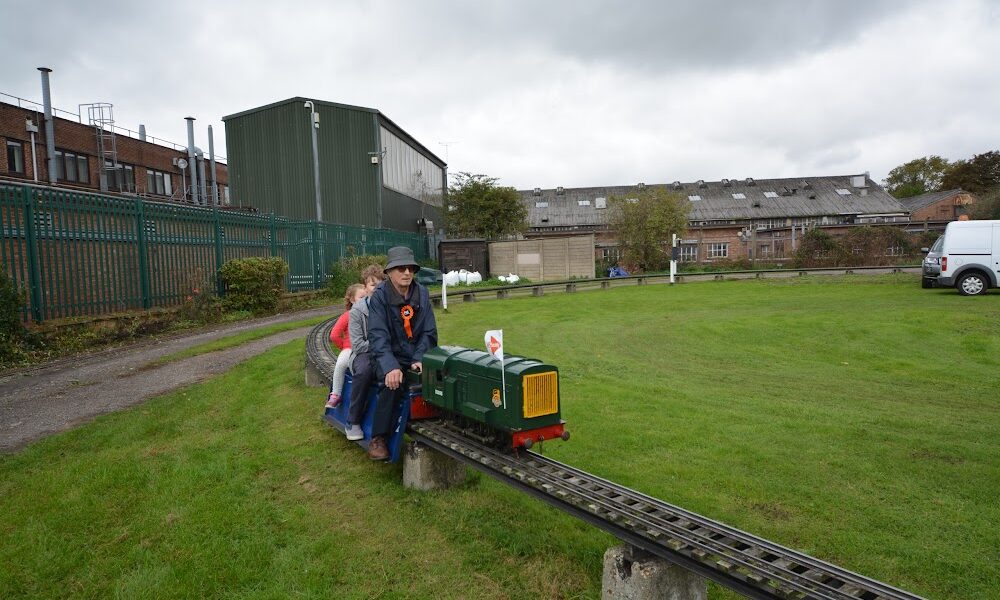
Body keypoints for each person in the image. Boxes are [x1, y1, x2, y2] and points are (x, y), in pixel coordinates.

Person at [366, 246, 437, 460]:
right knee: (393, 384)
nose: (407, 272)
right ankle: (378, 438)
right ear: (389, 272)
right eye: (401, 268)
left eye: (410, 268)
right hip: (386, 355)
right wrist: (390, 366)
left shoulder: (422, 293)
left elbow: (429, 331)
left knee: (439, 377)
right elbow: (377, 335)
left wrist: (419, 357)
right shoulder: (379, 297)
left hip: (415, 354)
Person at [342, 264, 385, 441]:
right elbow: (358, 346)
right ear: (365, 287)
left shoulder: (390, 307)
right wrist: (381, 344)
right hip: (363, 355)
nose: (377, 288)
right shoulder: (357, 312)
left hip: (385, 352)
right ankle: (353, 420)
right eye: (373, 284)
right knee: (365, 370)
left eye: (381, 284)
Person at [326, 283, 366, 409]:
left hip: (363, 347)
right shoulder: (348, 315)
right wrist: (344, 347)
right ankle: (336, 393)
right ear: (352, 300)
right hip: (351, 347)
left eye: (366, 297)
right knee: (341, 363)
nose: (364, 300)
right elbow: (334, 335)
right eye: (361, 297)